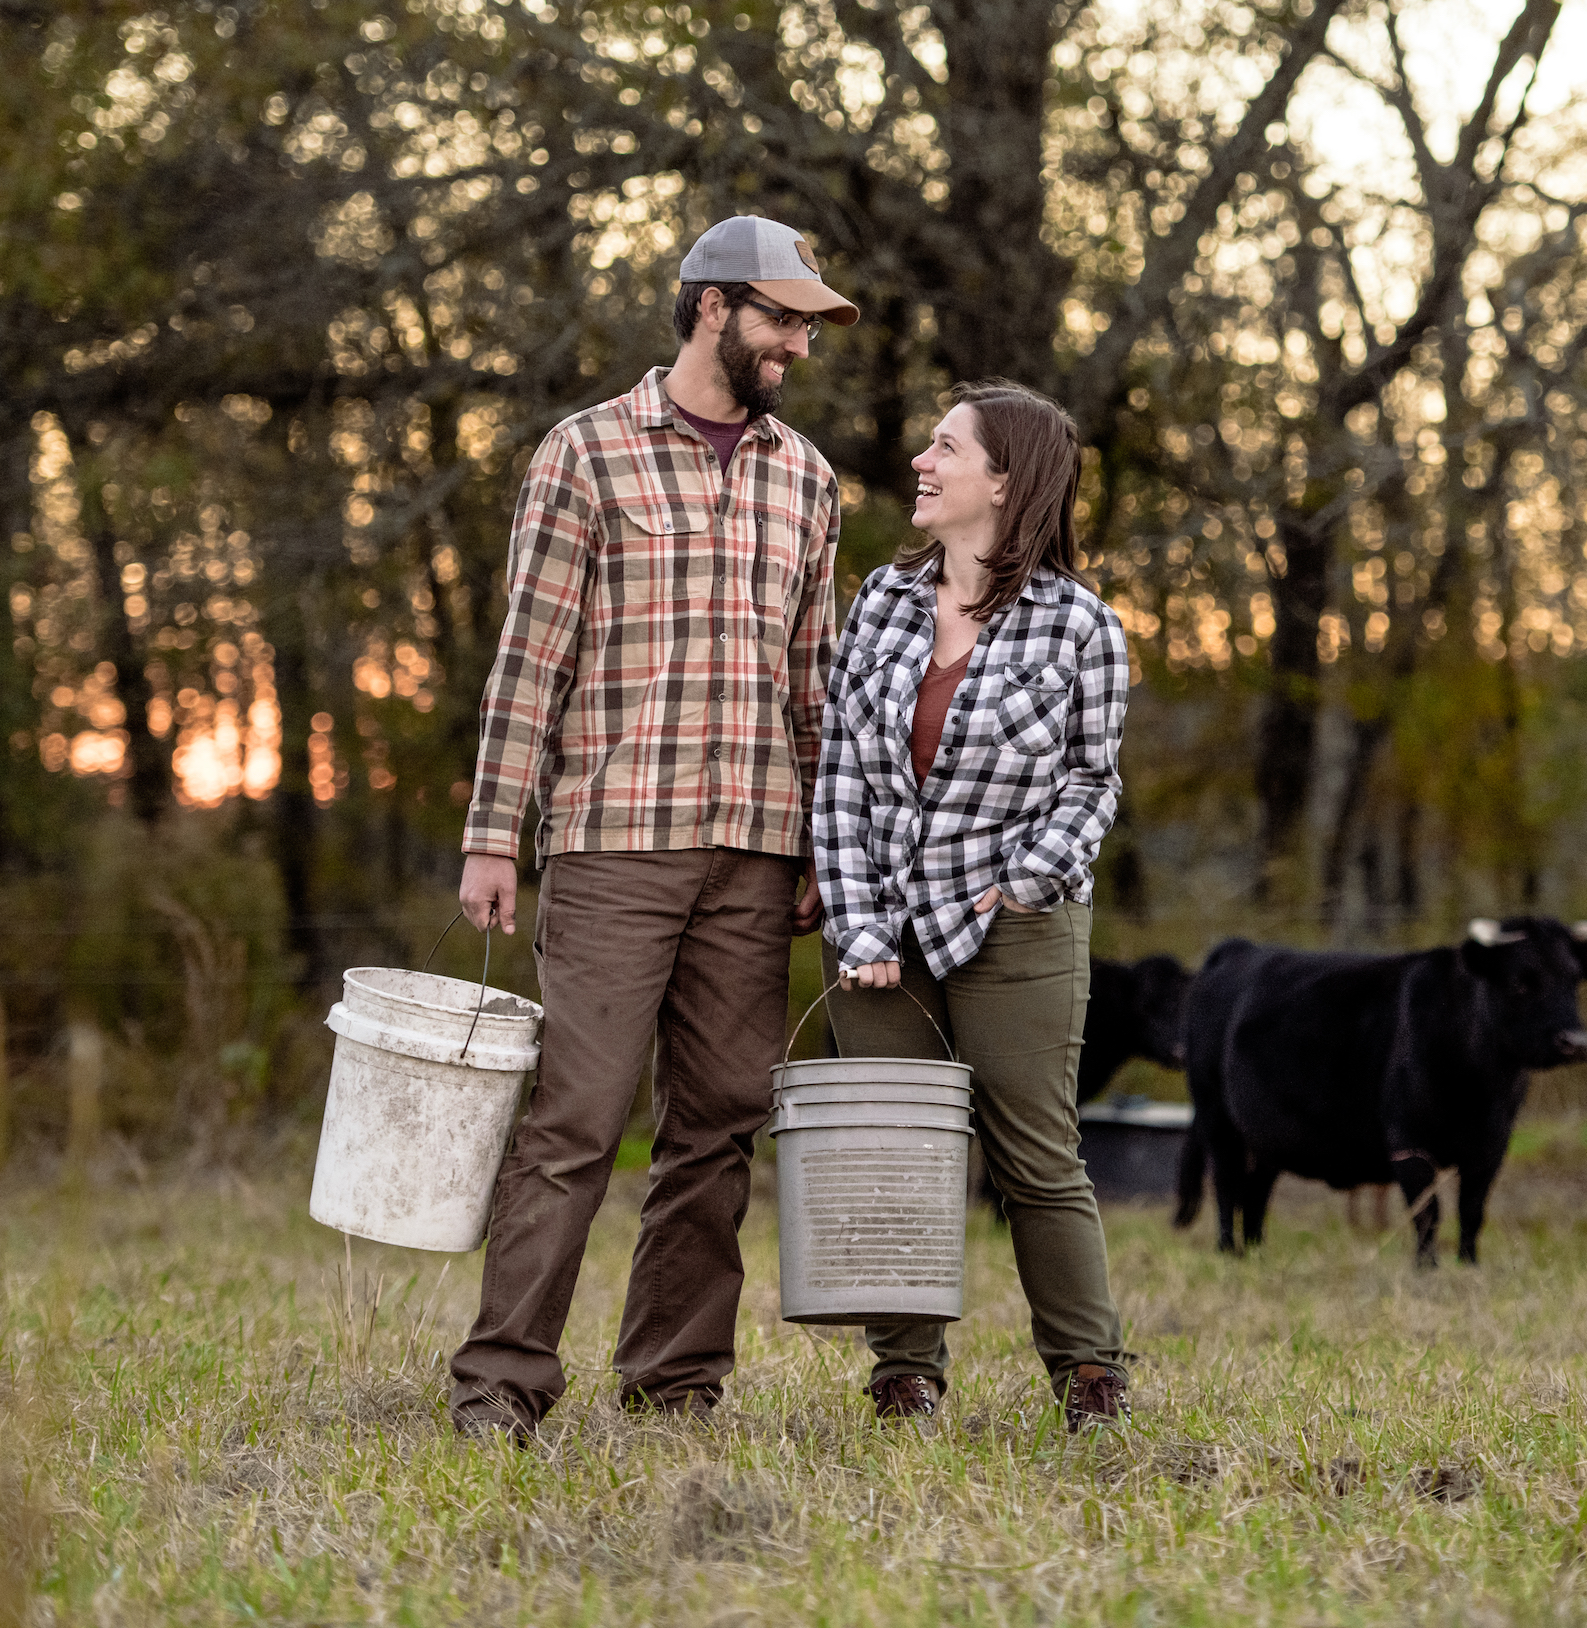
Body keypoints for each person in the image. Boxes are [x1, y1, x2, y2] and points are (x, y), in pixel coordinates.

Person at [445, 214, 855, 1442]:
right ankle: (501, 1385)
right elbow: (531, 657)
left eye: (806, 324)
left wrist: (825, 846)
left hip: (758, 844)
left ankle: (675, 1386)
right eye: (780, 317)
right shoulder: (586, 453)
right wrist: (491, 834)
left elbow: (813, 682)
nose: (795, 343)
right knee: (576, 1115)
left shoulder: (809, 477)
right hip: (615, 837)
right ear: (710, 306)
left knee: (722, 1116)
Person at [812, 381, 1134, 1429]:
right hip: (884, 927)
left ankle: (1090, 1377)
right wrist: (860, 925)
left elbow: (1093, 780)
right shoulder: (883, 599)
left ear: (1005, 479)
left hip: (1020, 926)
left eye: (945, 448)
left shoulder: (1080, 626)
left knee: (1038, 1156)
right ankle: (904, 1380)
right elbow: (844, 778)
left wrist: (1026, 878)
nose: (922, 460)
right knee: (893, 1151)